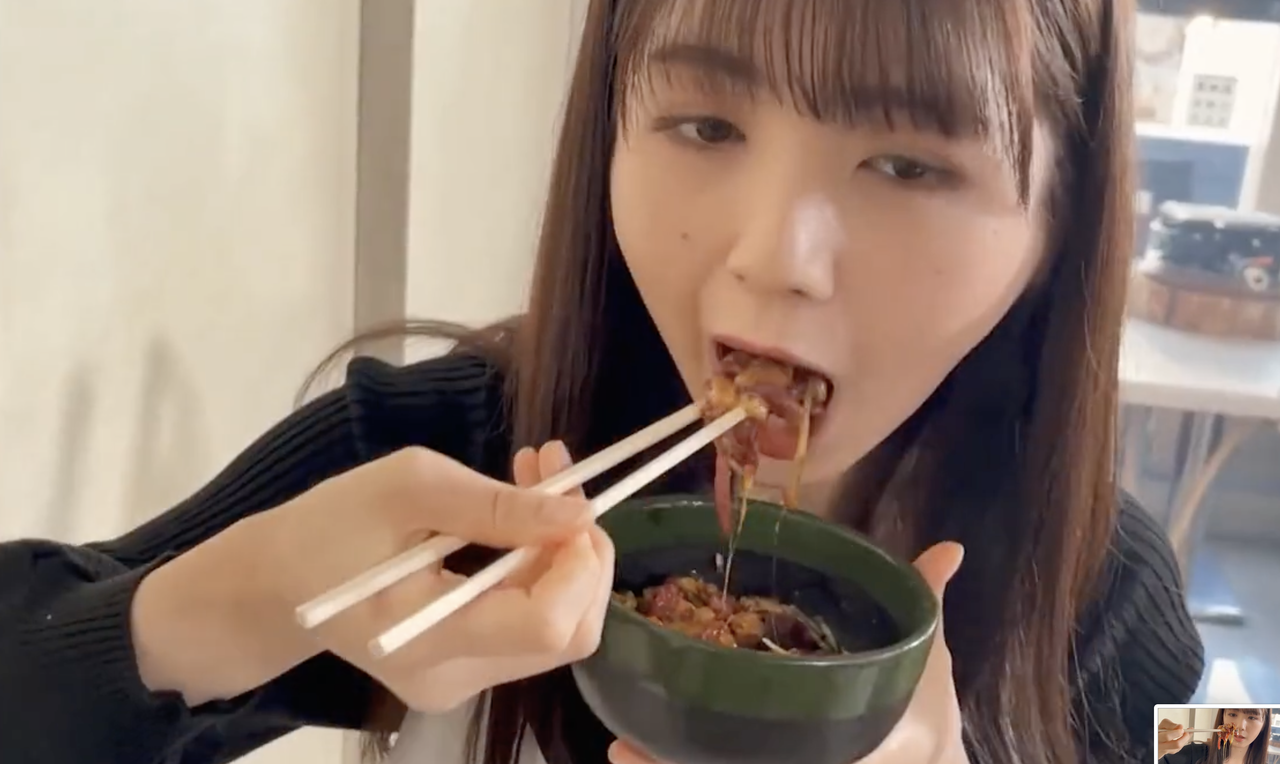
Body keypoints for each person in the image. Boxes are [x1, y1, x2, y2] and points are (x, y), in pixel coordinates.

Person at [0, 0, 1205, 762]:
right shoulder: (455, 462)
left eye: (905, 163)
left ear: (1058, 223)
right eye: (704, 127)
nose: (771, 256)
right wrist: (255, 593)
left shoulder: (1106, 590)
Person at [1157, 708, 1274, 764]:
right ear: (1223, 716)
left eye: (1252, 717)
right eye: (1233, 714)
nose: (1240, 726)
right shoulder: (1193, 755)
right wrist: (1154, 752)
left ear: (1264, 724)